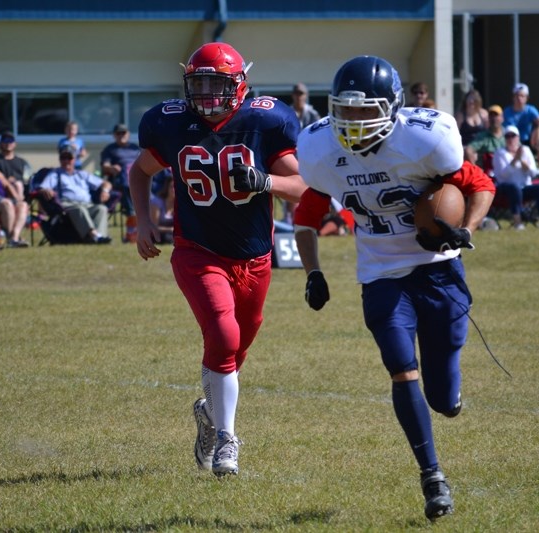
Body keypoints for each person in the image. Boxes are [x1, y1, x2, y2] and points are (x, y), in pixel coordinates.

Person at [292, 55, 495, 522]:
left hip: (438, 270)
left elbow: (480, 184)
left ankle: (447, 397)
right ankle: (432, 476)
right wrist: (313, 273)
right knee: (402, 370)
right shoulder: (322, 149)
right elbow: (306, 216)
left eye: (365, 111)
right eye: (345, 111)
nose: (354, 122)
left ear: (394, 107)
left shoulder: (424, 140)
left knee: (442, 397)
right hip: (381, 276)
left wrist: (467, 227)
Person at [126, 42, 307, 477]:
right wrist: (145, 221)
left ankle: (210, 413)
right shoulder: (170, 123)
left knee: (236, 348)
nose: (206, 94)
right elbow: (139, 171)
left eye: (216, 84)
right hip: (198, 250)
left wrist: (264, 182)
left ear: (240, 84)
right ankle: (227, 439)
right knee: (224, 336)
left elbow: (304, 186)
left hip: (254, 257)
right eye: (199, 83)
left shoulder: (264, 120)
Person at [34, 146, 113, 244]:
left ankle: (100, 237)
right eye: (63, 158)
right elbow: (42, 187)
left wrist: (105, 191)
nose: (66, 161)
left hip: (87, 204)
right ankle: (94, 235)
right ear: (60, 159)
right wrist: (46, 190)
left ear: (75, 159)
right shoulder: (55, 174)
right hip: (67, 205)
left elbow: (106, 183)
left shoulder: (82, 174)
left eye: (69, 158)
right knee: (80, 209)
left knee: (101, 208)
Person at [492, 125, 539, 229]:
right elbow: (502, 175)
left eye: (513, 136)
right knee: (514, 187)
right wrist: (515, 161)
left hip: (524, 187)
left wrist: (522, 162)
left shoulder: (525, 150)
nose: (510, 139)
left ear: (518, 138)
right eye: (507, 136)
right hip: (505, 188)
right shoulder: (500, 153)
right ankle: (518, 222)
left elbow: (533, 173)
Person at [283, 83, 322, 223]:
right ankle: (288, 219)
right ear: (293, 95)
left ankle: (310, 219)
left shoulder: (313, 114)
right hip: (290, 157)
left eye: (302, 94)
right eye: (297, 93)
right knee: (288, 187)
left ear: (306, 96)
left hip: (308, 158)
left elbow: (318, 136)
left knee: (310, 190)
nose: (299, 97)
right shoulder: (286, 112)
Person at [503, 83, 539, 167]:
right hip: (512, 141)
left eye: (522, 96)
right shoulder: (506, 112)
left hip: (527, 141)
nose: (520, 98)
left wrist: (538, 132)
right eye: (517, 96)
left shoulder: (530, 110)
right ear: (513, 97)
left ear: (527, 98)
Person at [101, 123, 140, 216]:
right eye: (118, 133)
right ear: (114, 135)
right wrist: (111, 168)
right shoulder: (109, 149)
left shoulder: (135, 148)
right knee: (125, 176)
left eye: (123, 132)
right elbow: (105, 166)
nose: (121, 135)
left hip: (137, 177)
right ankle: (132, 213)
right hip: (120, 179)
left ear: (128, 134)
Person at [0, 131, 30, 197]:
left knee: (18, 184)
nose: (8, 143)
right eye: (5, 140)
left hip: (19, 190)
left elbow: (27, 180)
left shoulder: (22, 162)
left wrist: (15, 180)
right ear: (0, 144)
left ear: (15, 144)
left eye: (10, 140)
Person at [464, 104, 505, 172]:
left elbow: (520, 150)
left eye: (496, 115)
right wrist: (477, 171)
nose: (493, 118)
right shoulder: (482, 136)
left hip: (507, 174)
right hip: (489, 174)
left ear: (502, 118)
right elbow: (469, 150)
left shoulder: (509, 135)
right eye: (491, 116)